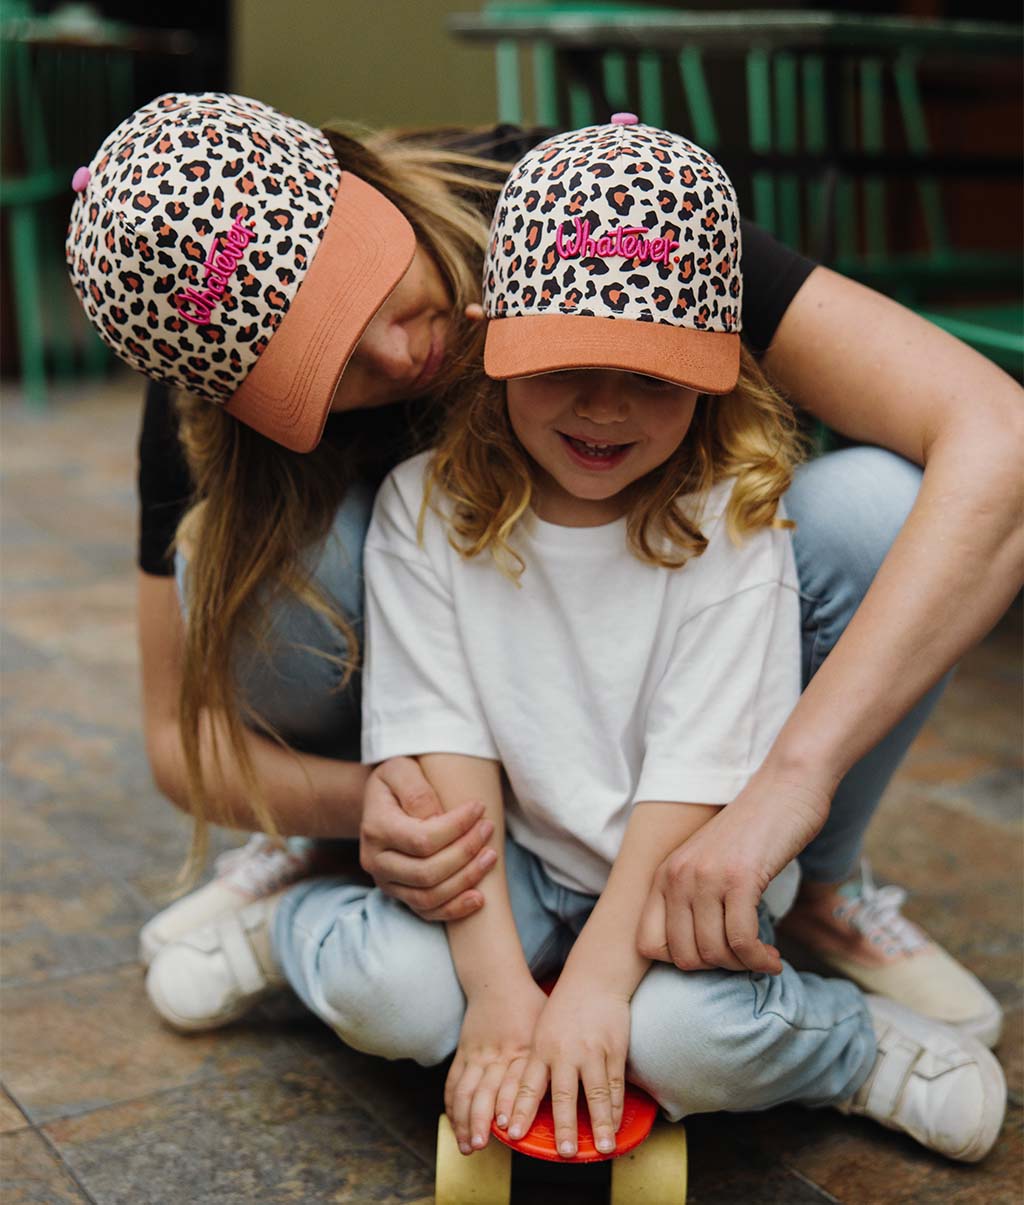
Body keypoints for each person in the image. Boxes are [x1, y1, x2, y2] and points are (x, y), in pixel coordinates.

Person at [64, 93, 1020, 1046]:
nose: (402, 355)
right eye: (332, 373)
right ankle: (339, 864)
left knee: (881, 511)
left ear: (355, 175)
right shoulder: (196, 399)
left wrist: (791, 782)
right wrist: (374, 807)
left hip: (662, 681)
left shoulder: (594, 208)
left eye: (368, 294)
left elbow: (999, 436)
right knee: (265, 561)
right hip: (435, 742)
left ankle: (814, 881)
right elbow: (175, 742)